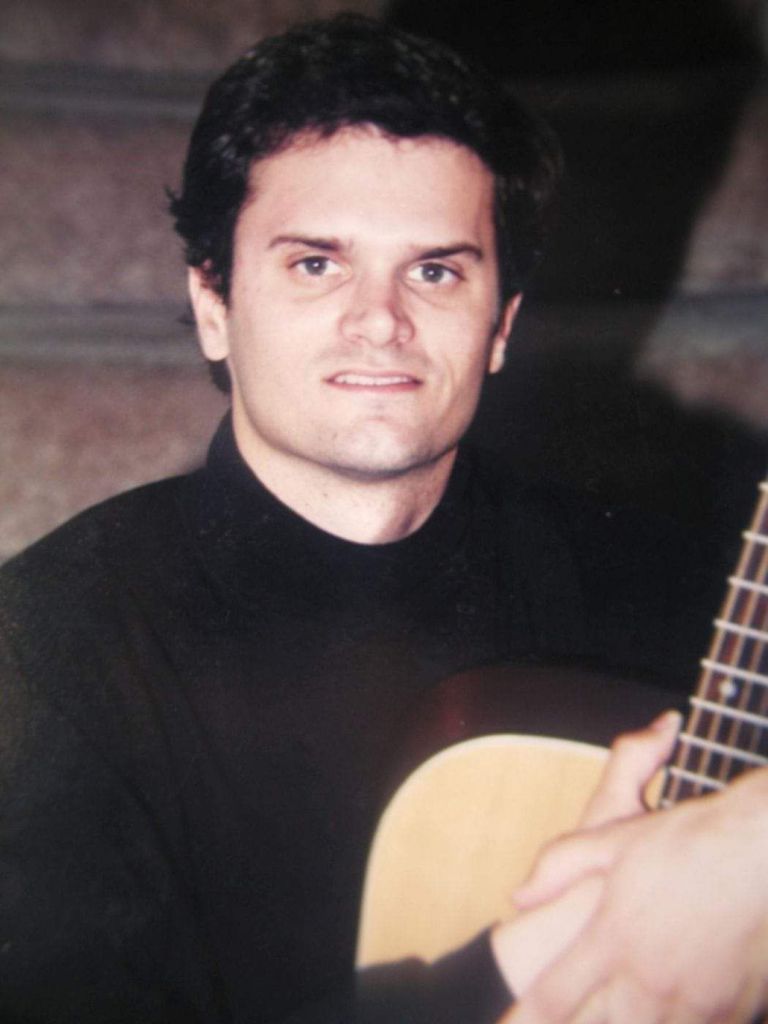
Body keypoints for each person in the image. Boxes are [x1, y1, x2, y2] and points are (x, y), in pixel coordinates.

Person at [0, 14, 765, 1024]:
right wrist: (554, 952)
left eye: (435, 270)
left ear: (501, 327)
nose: (380, 320)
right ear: (214, 305)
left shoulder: (670, 583)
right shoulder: (49, 651)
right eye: (316, 264)